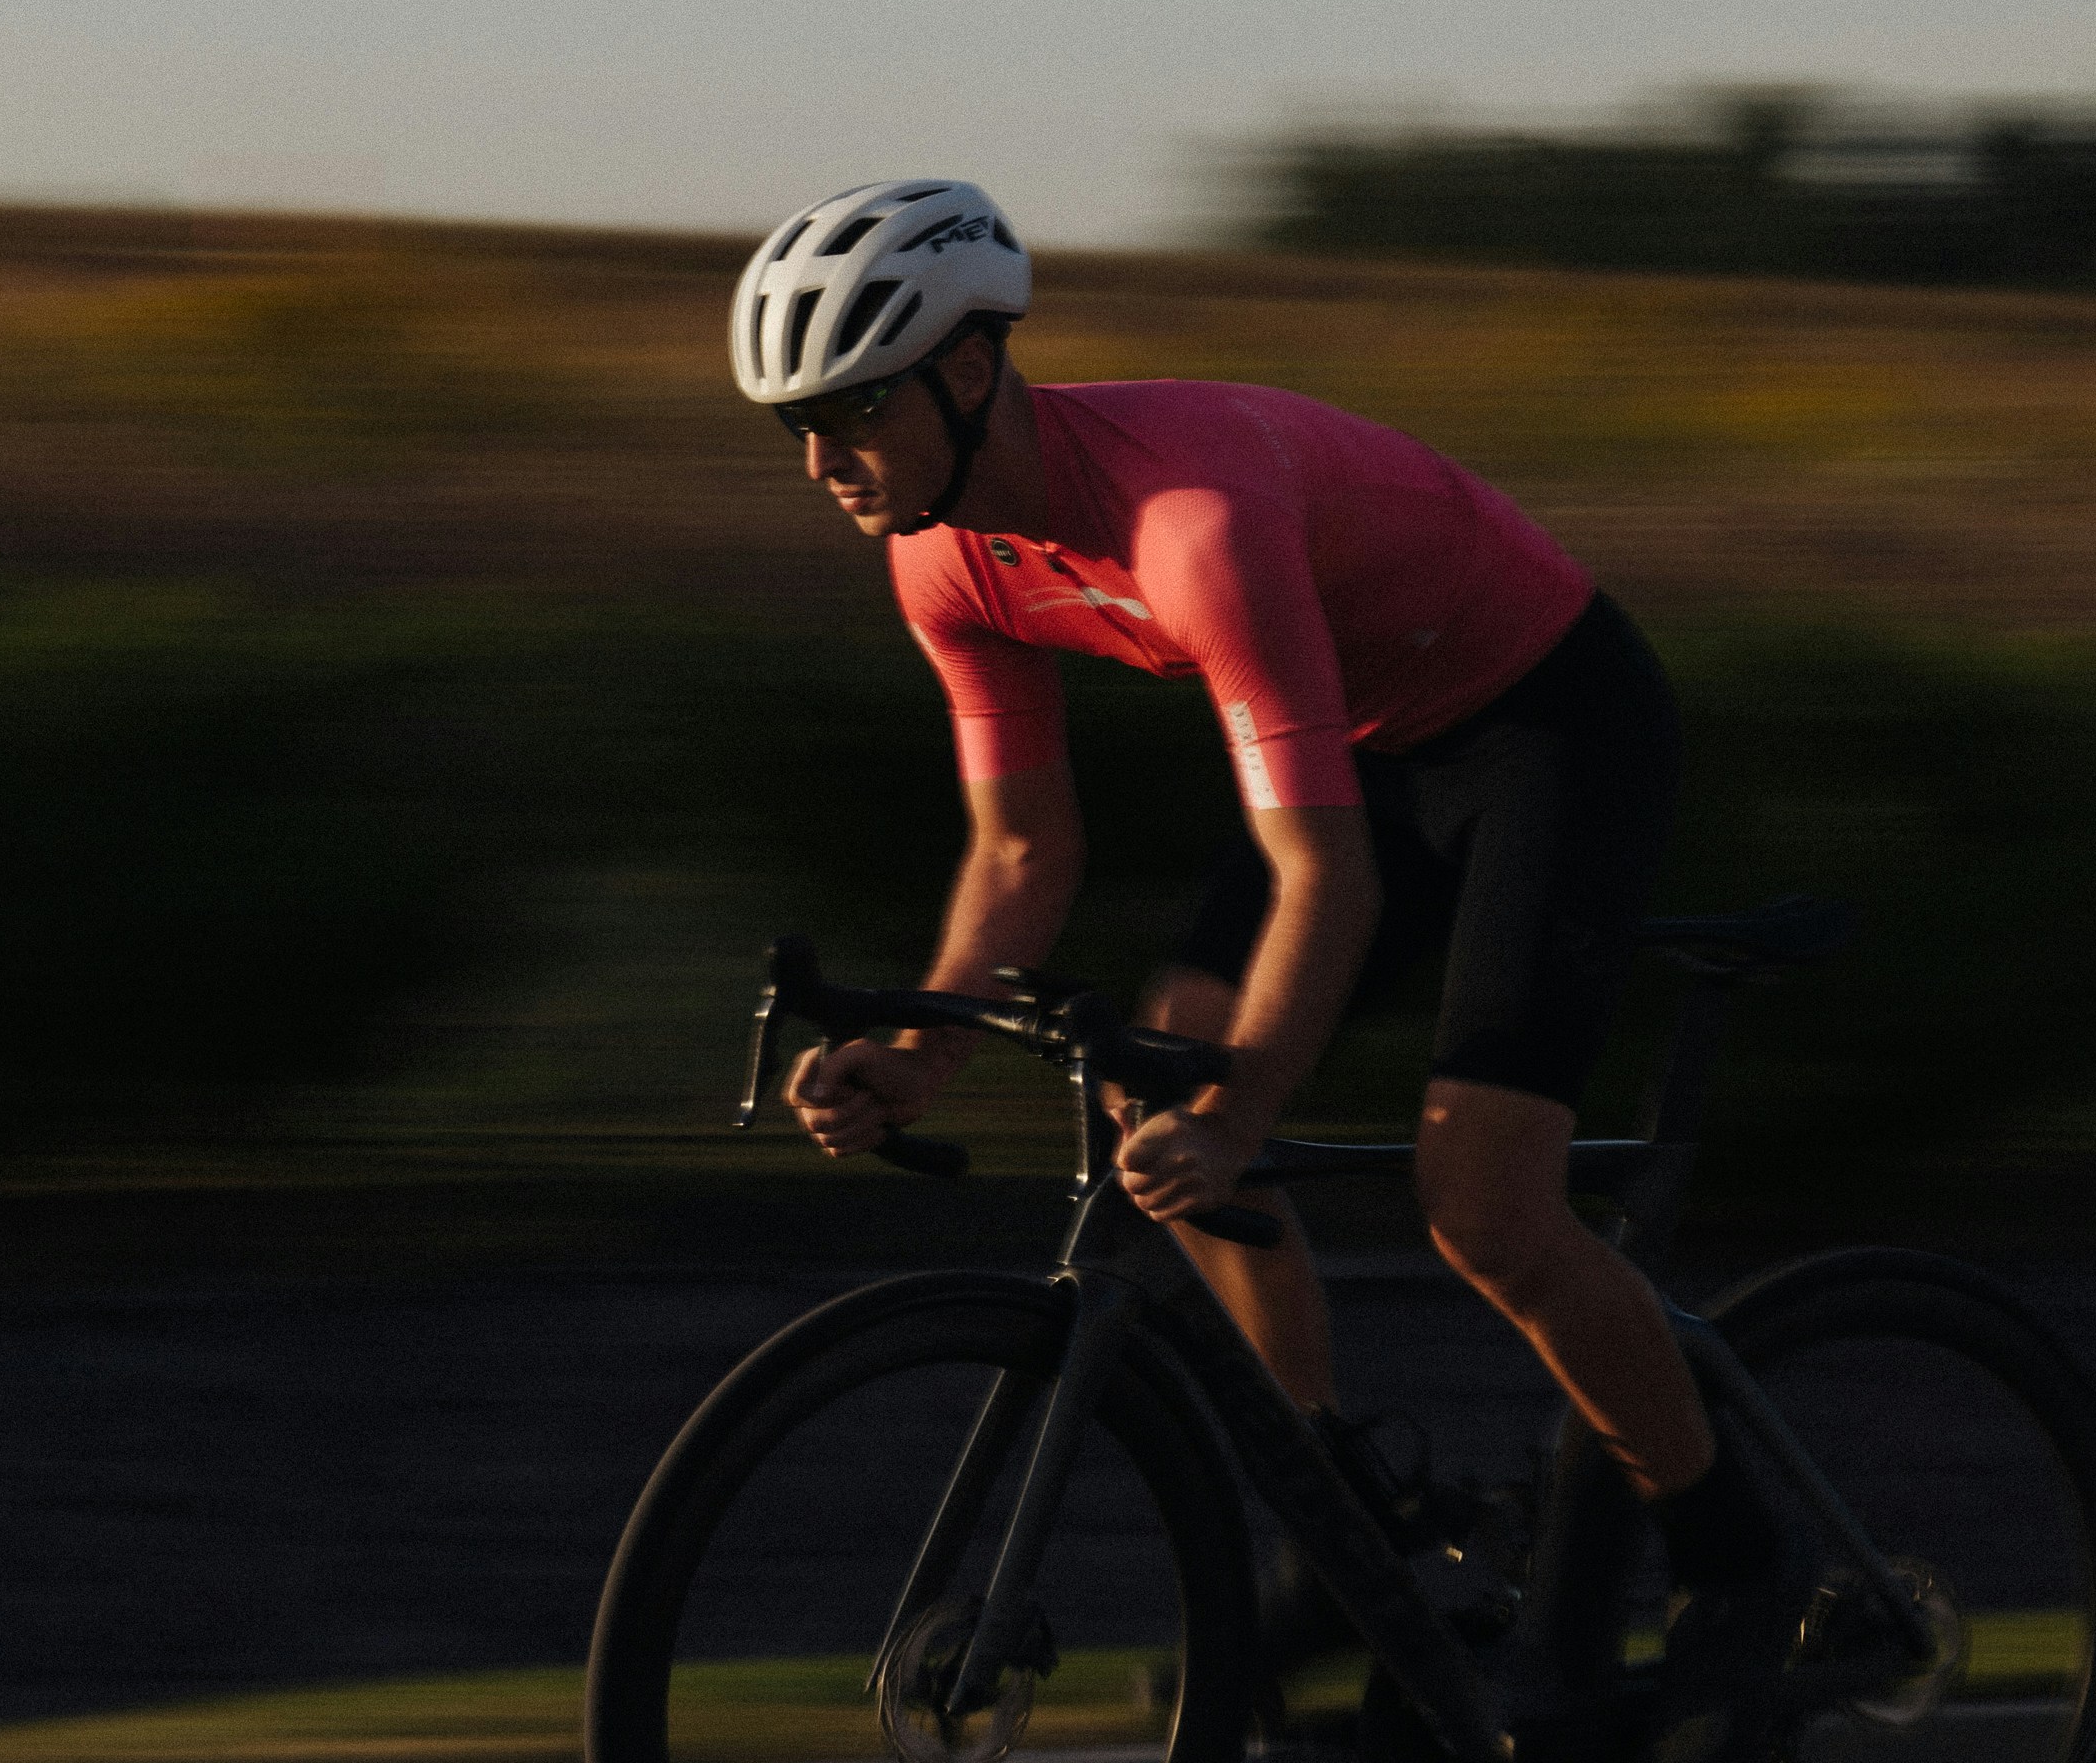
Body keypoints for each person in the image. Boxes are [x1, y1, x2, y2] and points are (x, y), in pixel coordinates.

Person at [740, 179, 1805, 1761]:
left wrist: (1241, 1121)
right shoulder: (941, 559)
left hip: (1550, 728)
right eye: (797, 426)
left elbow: (1328, 881)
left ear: (968, 370)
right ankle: (1339, 1517)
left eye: (854, 411)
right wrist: (921, 1049)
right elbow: (1023, 855)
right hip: (1375, 739)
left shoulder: (1195, 520)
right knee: (1150, 1077)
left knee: (1485, 1203)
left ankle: (1741, 1557)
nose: (824, 461)